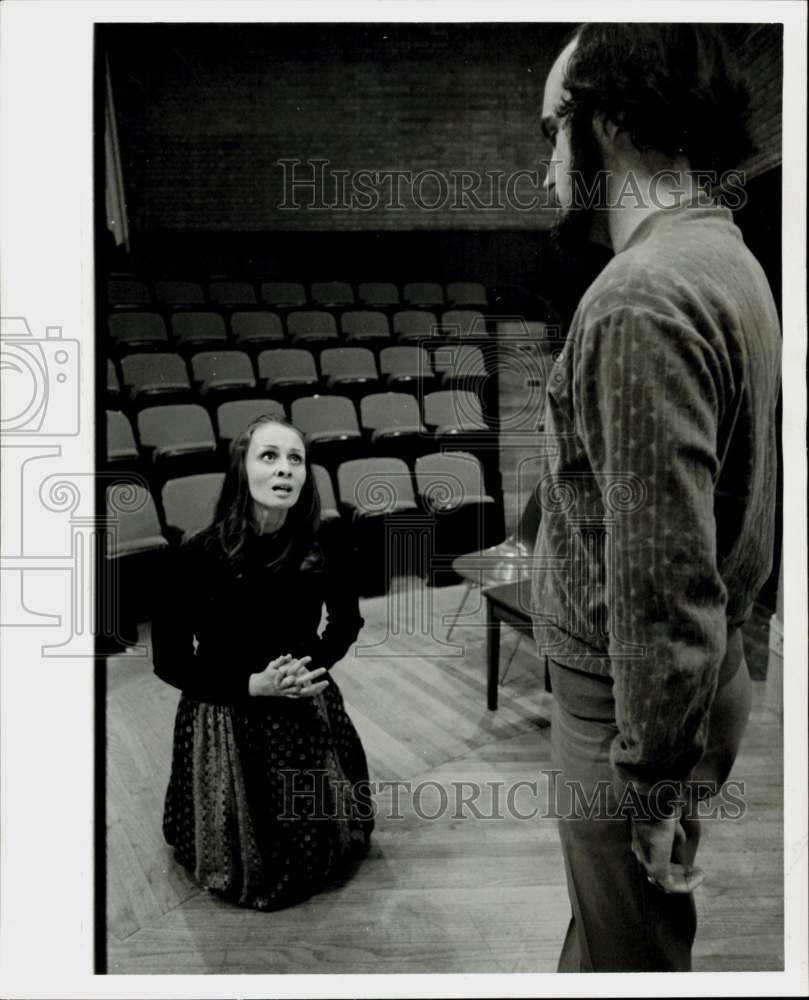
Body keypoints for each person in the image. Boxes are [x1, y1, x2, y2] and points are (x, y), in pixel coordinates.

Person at [531, 25, 781, 971]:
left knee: (631, 953)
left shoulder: (638, 296)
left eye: (554, 127)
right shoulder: (727, 254)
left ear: (609, 121)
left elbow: (659, 585)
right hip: (702, 684)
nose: (549, 161)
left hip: (626, 713)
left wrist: (649, 784)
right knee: (613, 934)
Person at [152, 414, 373, 910]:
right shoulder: (194, 556)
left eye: (295, 459)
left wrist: (308, 668)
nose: (284, 470)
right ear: (242, 471)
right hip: (225, 708)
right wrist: (252, 685)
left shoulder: (325, 543)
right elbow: (169, 660)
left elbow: (344, 624)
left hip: (302, 699)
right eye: (268, 456)